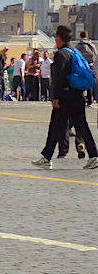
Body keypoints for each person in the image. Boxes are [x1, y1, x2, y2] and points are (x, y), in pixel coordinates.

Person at [32, 26, 98, 170]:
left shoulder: (61, 54)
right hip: (77, 94)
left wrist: (55, 97)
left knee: (55, 127)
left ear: (58, 38)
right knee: (81, 126)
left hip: (65, 96)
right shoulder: (75, 52)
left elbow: (58, 77)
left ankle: (46, 158)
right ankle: (93, 156)